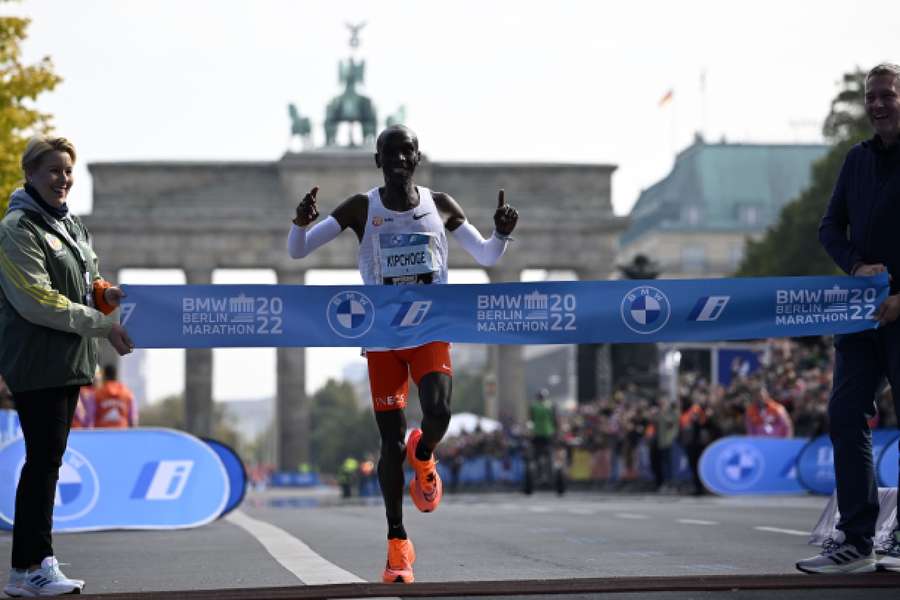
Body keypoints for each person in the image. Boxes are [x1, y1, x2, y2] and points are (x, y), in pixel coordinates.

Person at [287, 125, 518, 583]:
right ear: (378, 161)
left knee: (439, 410)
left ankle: (426, 452)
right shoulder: (360, 207)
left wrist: (501, 233)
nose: (397, 160)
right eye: (389, 153)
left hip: (430, 330)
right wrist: (300, 222)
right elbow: (298, 252)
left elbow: (488, 257)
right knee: (389, 442)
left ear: (417, 158)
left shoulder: (442, 205)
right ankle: (397, 543)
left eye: (405, 152)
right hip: (382, 339)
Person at [0, 136, 134, 596]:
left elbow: (84, 281)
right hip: (38, 359)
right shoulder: (18, 228)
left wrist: (105, 294)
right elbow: (38, 300)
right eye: (53, 170)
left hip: (68, 360)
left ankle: (30, 568)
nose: (63, 179)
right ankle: (32, 567)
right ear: (31, 175)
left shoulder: (70, 224)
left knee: (47, 462)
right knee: (42, 464)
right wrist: (102, 323)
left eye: (67, 171)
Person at [797, 63, 900, 575]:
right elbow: (829, 226)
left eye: (888, 95)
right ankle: (858, 540)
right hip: (861, 315)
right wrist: (856, 265)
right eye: (871, 97)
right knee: (844, 415)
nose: (878, 104)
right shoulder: (856, 159)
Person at [93, 364, 138, 428]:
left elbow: (91, 417)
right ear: (116, 375)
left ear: (104, 376)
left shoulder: (97, 394)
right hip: (121, 433)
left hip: (102, 434)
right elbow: (133, 420)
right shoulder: (127, 393)